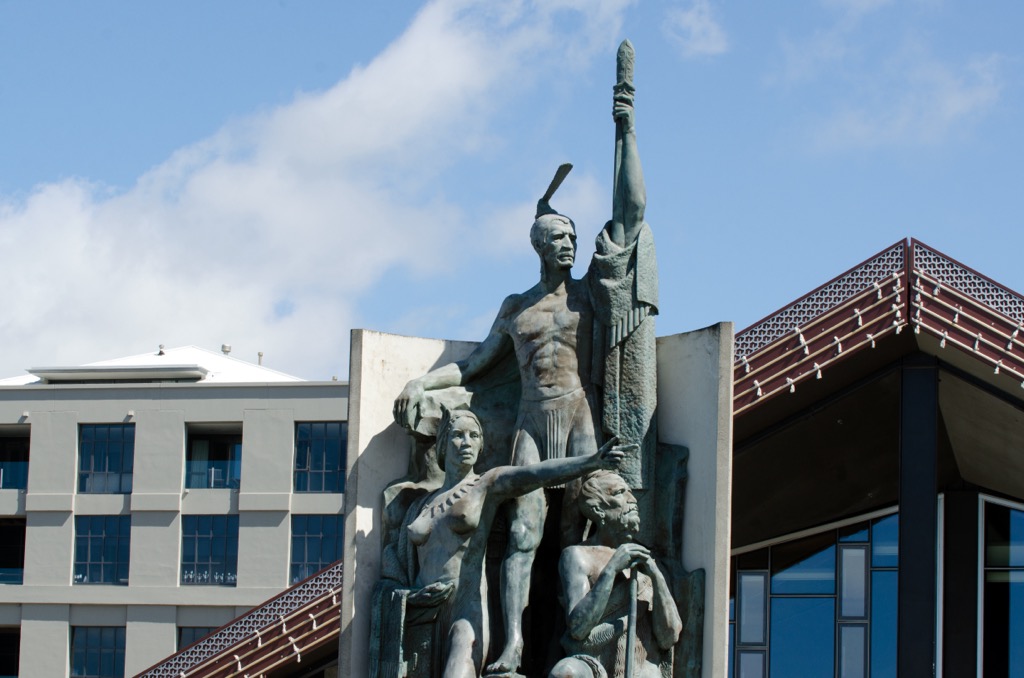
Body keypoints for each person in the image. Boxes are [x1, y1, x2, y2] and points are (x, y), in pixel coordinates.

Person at [393, 82, 658, 675]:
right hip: (532, 423)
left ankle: (578, 643)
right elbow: (476, 365)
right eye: (559, 238)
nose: (570, 245)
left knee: (579, 536)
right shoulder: (516, 307)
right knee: (522, 534)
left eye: (572, 239)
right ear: (540, 245)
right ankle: (512, 642)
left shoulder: (590, 295)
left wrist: (626, 129)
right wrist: (422, 384)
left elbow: (631, 216)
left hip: (581, 416)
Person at [387, 408, 630, 678]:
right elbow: (394, 567)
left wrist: (591, 462)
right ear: (443, 444)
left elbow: (536, 474)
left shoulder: (486, 484)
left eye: (474, 436)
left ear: (481, 445)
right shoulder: (422, 503)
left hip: (464, 612)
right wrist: (407, 597)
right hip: (421, 614)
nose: (466, 442)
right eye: (458, 435)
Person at [550, 470, 681, 678]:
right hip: (591, 661)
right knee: (565, 673)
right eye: (620, 492)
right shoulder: (578, 555)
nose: (632, 500)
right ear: (597, 509)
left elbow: (669, 637)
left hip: (640, 663)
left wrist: (656, 576)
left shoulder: (649, 562)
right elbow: (578, 628)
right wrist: (611, 569)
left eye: (630, 492)